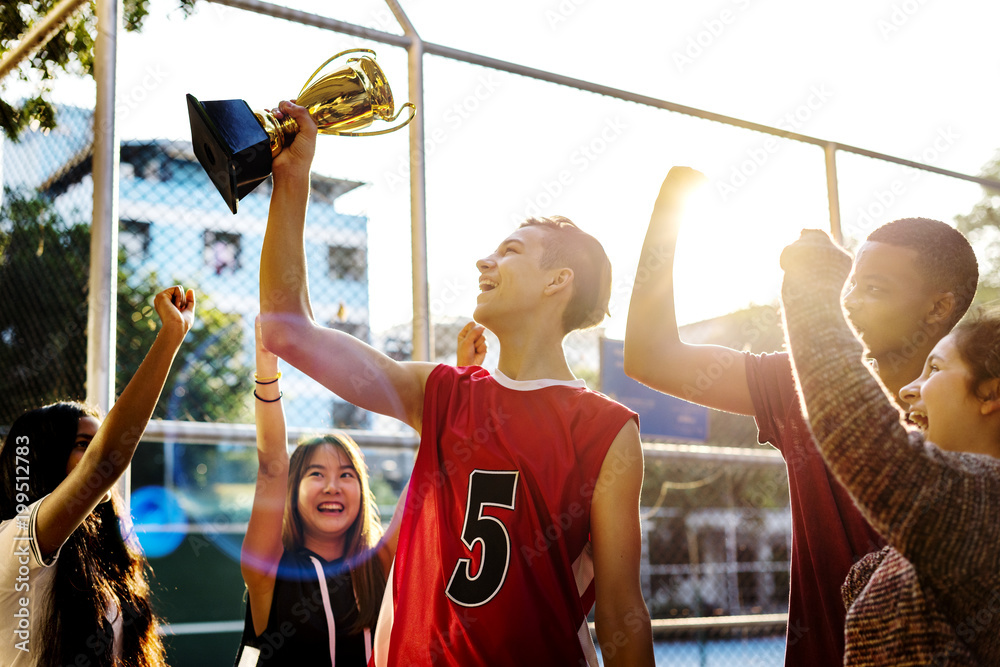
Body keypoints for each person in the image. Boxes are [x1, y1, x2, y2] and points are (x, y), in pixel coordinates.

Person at [259, 100, 654, 666]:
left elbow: (621, 610)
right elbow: (287, 331)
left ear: (558, 282)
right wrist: (293, 178)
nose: (483, 261)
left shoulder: (605, 429)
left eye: (510, 251)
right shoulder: (444, 394)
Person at [624, 167, 979, 666]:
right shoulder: (800, 385)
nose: (849, 301)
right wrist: (668, 217)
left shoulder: (979, 414)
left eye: (874, 289)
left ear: (938, 307)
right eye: (848, 285)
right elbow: (650, 356)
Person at [779, 229, 1000, 665]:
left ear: (990, 394)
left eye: (934, 368)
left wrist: (815, 286)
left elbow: (864, 439)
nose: (907, 391)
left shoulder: (988, 502)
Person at [0, 285, 195, 667]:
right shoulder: (15, 544)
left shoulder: (102, 555)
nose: (96, 452)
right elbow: (105, 462)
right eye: (82, 444)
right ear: (44, 458)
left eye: (97, 440)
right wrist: (171, 335)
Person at [235, 316, 392, 666]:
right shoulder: (271, 570)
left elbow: (428, 483)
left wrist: (459, 386)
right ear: (294, 491)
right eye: (316, 474)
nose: (332, 486)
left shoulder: (380, 564)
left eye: (347, 475)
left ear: (363, 491)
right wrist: (266, 367)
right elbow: (273, 463)